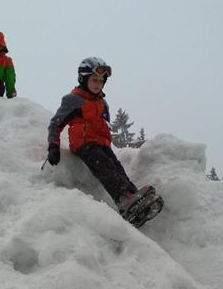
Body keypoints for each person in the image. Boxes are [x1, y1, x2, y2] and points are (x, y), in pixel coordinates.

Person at [46, 57, 156, 219]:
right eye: (94, 80)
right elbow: (56, 123)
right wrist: (53, 146)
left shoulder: (102, 102)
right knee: (104, 167)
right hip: (84, 143)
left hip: (102, 144)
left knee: (116, 167)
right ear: (84, 79)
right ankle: (123, 199)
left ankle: (133, 197)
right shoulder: (74, 99)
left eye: (101, 81)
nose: (98, 84)